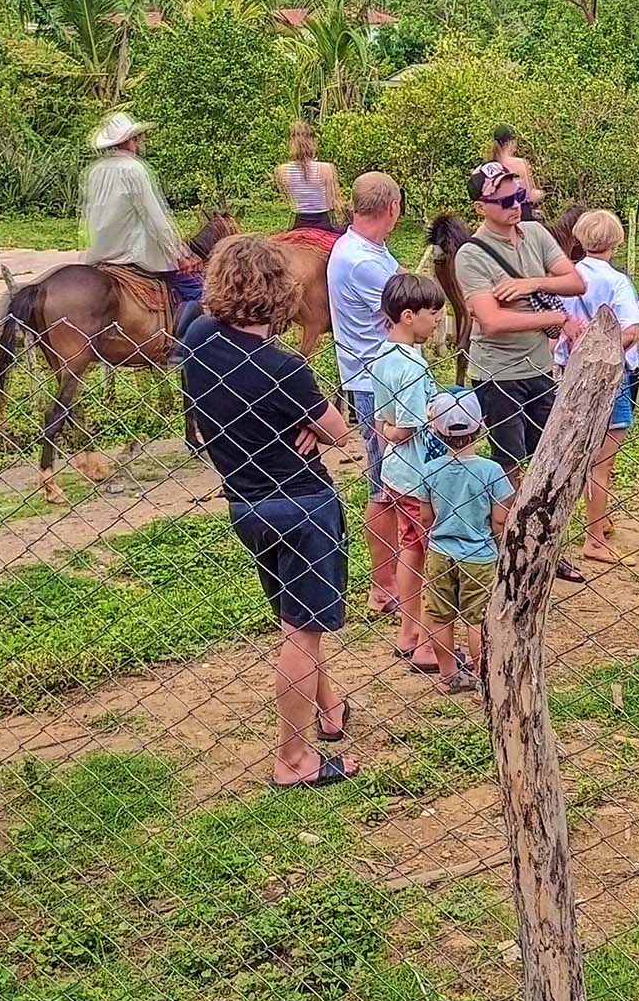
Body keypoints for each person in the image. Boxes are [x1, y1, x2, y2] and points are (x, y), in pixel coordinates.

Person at [180, 235, 357, 788]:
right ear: (284, 291)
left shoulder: (198, 339)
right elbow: (338, 430)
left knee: (294, 620)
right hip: (304, 504)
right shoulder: (286, 369)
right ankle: (293, 759)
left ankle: (329, 710)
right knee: (302, 634)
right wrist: (308, 422)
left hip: (247, 504)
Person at [454, 160, 586, 580]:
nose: (516, 205)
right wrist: (554, 320)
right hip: (499, 374)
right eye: (506, 199)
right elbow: (490, 321)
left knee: (549, 458)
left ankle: (542, 544)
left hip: (539, 369)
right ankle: (511, 548)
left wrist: (532, 285)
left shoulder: (535, 233)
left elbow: (574, 282)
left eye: (519, 196)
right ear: (481, 207)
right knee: (509, 464)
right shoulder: (470, 256)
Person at [327, 172, 402, 615]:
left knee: (394, 480)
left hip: (380, 375)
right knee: (385, 485)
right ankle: (383, 583)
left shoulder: (365, 248)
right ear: (391, 208)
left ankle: (394, 576)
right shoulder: (363, 261)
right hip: (377, 380)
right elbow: (406, 305)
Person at [556, 209, 639, 567]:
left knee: (568, 457)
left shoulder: (566, 277)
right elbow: (632, 330)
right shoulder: (617, 282)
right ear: (616, 241)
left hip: (568, 374)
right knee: (602, 463)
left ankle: (582, 524)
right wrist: (601, 354)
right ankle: (594, 537)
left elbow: (558, 324)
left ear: (579, 238)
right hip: (610, 378)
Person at [371, 272, 447, 671]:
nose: (436, 321)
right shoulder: (413, 368)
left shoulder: (382, 357)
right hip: (421, 477)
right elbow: (407, 425)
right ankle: (429, 646)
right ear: (407, 315)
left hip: (395, 474)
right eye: (432, 313)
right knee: (436, 553)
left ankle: (407, 631)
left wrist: (383, 429)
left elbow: (382, 421)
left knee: (410, 549)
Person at [416, 389, 514, 696]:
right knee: (476, 618)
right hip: (479, 554)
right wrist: (500, 543)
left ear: (436, 430)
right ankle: (481, 671)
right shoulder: (491, 471)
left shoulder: (430, 470)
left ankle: (448, 674)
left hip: (440, 552)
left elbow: (425, 516)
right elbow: (500, 518)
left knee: (439, 614)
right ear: (482, 425)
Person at [81, 110, 204, 329]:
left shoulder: (94, 171)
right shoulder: (134, 169)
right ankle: (180, 345)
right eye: (137, 138)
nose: (139, 143)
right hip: (134, 254)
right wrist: (180, 254)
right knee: (196, 290)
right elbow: (155, 218)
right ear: (128, 141)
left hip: (100, 252)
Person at [275, 121, 344, 234]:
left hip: (298, 224)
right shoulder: (326, 168)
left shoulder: (282, 170)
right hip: (324, 223)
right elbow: (332, 203)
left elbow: (289, 200)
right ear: (312, 142)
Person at [491, 126, 546, 224]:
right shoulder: (520, 163)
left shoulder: (490, 165)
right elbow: (529, 194)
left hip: (497, 216)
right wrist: (542, 193)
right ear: (510, 143)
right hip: (521, 215)